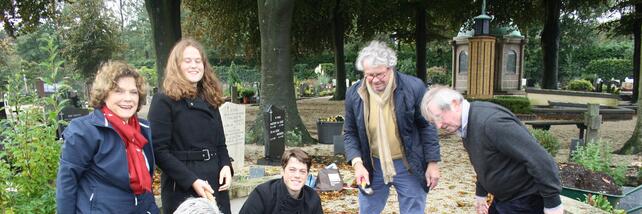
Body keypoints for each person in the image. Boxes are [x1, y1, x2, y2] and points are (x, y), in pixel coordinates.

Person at [419, 85, 563, 214]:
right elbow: (486, 160)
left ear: (455, 104)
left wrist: (553, 204)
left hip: (524, 200)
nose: (439, 126)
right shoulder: (466, 123)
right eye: (434, 122)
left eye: (439, 117)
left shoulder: (491, 122)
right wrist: (481, 193)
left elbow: (540, 159)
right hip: (504, 199)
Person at [343, 40, 441, 214]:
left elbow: (427, 126)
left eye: (380, 74)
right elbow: (350, 133)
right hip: (372, 164)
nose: (375, 80)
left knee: (413, 210)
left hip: (408, 163)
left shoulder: (414, 87)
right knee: (367, 210)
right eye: (369, 75)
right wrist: (357, 163)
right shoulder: (354, 94)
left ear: (390, 68)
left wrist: (432, 163)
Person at [56, 61, 159, 213]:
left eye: (133, 92)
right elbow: (66, 184)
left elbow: (146, 188)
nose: (128, 98)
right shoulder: (85, 131)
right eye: (119, 91)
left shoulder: (143, 129)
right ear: (104, 95)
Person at [149, 38, 233, 214]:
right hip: (182, 184)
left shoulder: (210, 98)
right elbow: (159, 151)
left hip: (215, 179)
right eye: (187, 61)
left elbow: (220, 143)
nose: (194, 65)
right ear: (176, 65)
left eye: (198, 61)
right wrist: (192, 181)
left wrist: (226, 165)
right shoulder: (164, 100)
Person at [239, 148, 323, 214]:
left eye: (302, 171)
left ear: (307, 175)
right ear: (282, 171)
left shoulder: (312, 199)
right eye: (292, 170)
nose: (297, 175)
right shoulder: (263, 195)